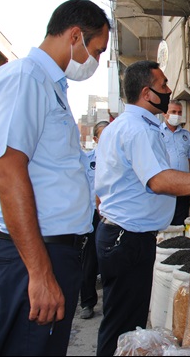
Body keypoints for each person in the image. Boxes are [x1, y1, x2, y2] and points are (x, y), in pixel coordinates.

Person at [0, 0, 110, 356]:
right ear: (75, 35)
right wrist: (39, 273)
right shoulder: (26, 79)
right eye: (96, 50)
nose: (95, 62)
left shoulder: (49, 85)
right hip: (34, 257)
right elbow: (7, 171)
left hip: (53, 252)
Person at [94, 60, 190, 356]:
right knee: (123, 325)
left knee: (122, 320)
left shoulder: (123, 126)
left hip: (120, 234)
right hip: (128, 238)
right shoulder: (138, 130)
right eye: (163, 86)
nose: (169, 91)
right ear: (147, 93)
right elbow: (160, 181)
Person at [80, 121, 109, 320]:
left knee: (109, 261)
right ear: (96, 139)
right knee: (89, 261)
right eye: (104, 135)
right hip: (92, 215)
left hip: (112, 216)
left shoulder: (120, 158)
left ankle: (110, 302)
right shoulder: (87, 160)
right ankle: (87, 303)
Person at [161, 100, 190, 226]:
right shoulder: (157, 133)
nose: (176, 115)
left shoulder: (186, 135)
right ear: (164, 114)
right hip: (165, 187)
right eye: (173, 112)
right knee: (165, 222)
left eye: (179, 112)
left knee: (181, 221)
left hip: (183, 186)